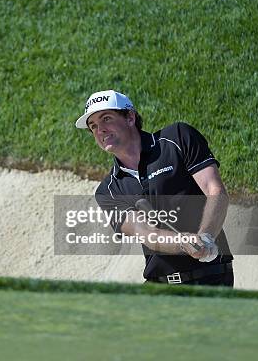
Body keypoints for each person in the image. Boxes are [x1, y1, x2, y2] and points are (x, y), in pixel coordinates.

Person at [75, 90, 234, 286]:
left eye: (106, 119)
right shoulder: (108, 190)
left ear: (130, 117)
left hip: (211, 278)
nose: (100, 130)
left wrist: (206, 236)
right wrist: (183, 242)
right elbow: (148, 234)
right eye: (93, 126)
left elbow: (215, 190)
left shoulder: (177, 138)